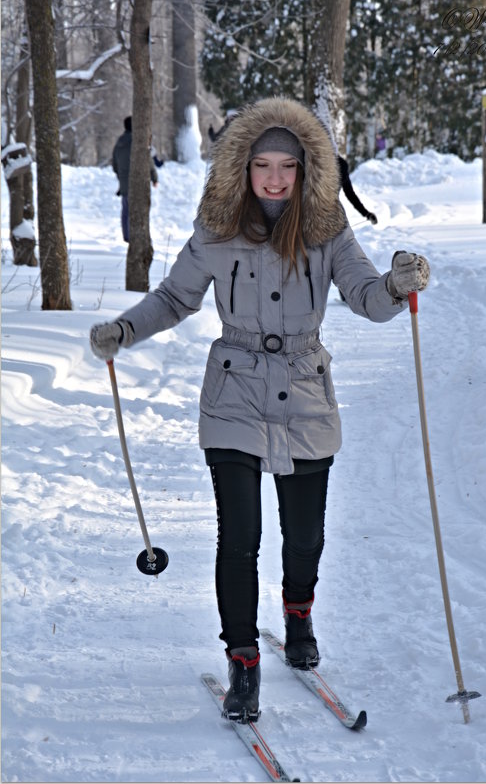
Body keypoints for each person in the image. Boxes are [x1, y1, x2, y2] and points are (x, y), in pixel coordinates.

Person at [91, 97, 430, 723]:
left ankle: (297, 613)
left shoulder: (328, 228)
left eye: (287, 166)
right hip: (234, 394)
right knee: (239, 537)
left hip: (304, 393)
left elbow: (365, 296)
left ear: (306, 171)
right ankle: (242, 662)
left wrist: (394, 285)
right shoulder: (217, 228)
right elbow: (174, 298)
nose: (274, 178)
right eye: (262, 165)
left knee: (305, 538)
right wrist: (125, 330)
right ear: (243, 169)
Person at [112, 116, 159, 242]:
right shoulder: (138, 141)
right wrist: (154, 178)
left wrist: (120, 176)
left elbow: (114, 164)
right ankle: (137, 236)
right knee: (138, 210)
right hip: (138, 182)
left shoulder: (119, 142)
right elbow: (148, 160)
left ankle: (126, 236)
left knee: (126, 210)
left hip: (124, 182)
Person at [337, 154, 378, 225]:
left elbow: (350, 194)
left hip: (332, 214)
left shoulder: (341, 165)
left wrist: (366, 213)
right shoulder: (315, 166)